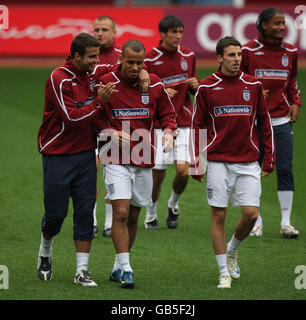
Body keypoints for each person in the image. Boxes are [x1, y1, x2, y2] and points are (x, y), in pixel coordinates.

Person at [191, 36, 275, 288]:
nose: (237, 59)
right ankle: (223, 273)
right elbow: (196, 126)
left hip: (248, 162)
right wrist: (196, 162)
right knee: (219, 216)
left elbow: (265, 122)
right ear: (219, 58)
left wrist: (269, 157)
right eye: (231, 55)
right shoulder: (206, 88)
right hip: (217, 162)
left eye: (239, 55)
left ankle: (232, 250)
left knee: (251, 215)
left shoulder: (254, 85)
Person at [93, 40, 177, 288]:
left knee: (133, 215)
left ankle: (118, 266)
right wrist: (109, 131)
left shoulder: (154, 83)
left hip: (143, 157)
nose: (134, 67)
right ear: (121, 59)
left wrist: (170, 132)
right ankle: (128, 268)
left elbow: (168, 115)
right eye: (130, 62)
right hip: (114, 156)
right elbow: (94, 118)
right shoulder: (106, 82)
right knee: (119, 212)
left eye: (139, 63)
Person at [36, 33, 115, 286]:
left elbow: (118, 75)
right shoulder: (59, 78)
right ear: (77, 56)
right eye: (92, 57)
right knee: (56, 215)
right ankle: (45, 250)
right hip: (57, 153)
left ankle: (82, 271)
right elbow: (71, 118)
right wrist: (99, 103)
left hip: (84, 155)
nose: (96, 61)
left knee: (84, 213)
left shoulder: (92, 79)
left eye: (98, 56)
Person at [240, 8, 302, 238]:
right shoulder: (247, 51)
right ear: (263, 25)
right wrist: (252, 92)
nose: (281, 27)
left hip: (282, 120)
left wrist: (296, 102)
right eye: (276, 23)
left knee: (285, 168)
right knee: (252, 169)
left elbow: (292, 82)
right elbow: (237, 81)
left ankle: (286, 222)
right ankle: (256, 221)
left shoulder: (291, 52)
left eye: (283, 23)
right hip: (255, 122)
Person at [144, 15, 198, 230]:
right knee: (158, 173)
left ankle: (173, 203)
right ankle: (150, 213)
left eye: (180, 31)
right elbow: (143, 92)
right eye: (174, 32)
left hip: (183, 121)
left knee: (185, 171)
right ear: (163, 34)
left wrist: (195, 85)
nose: (178, 36)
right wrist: (160, 91)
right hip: (158, 125)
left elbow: (195, 90)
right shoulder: (150, 58)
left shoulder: (189, 55)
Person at [92, 16, 122, 238]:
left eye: (104, 29)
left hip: (115, 123)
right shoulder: (87, 56)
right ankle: (91, 219)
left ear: (114, 31)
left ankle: (110, 222)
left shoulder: (123, 57)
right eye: (96, 30)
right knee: (91, 172)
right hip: (91, 121)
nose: (100, 33)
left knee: (112, 174)